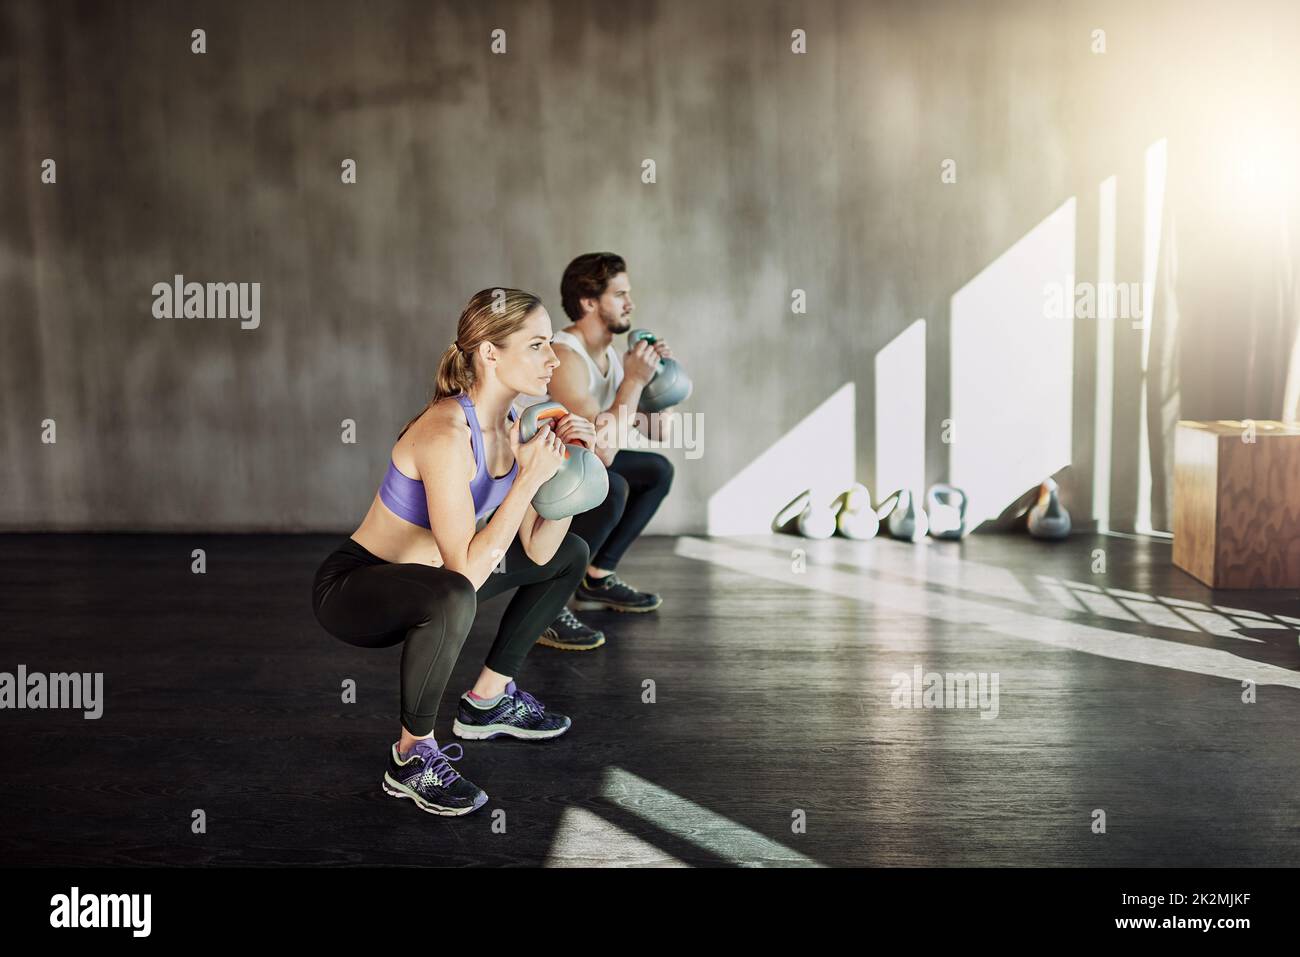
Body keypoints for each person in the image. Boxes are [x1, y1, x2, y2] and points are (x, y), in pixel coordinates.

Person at [311, 288, 598, 816]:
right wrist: (525, 482)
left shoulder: (517, 428)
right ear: (490, 353)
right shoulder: (444, 433)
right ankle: (410, 756)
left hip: (441, 581)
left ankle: (489, 699)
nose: (554, 358)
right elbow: (464, 573)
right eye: (537, 346)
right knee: (450, 595)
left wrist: (568, 474)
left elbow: (538, 551)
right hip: (358, 588)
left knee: (571, 553)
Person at [523, 253, 679, 652]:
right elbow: (603, 450)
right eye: (620, 294)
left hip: (578, 465)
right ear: (590, 302)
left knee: (656, 470)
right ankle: (548, 604)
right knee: (613, 485)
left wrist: (657, 380)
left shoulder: (612, 356)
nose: (631, 303)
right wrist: (633, 380)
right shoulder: (565, 356)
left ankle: (597, 577)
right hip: (535, 474)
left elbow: (662, 432)